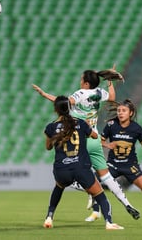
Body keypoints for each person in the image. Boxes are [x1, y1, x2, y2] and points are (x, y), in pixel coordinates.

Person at [33, 68, 140, 221]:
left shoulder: (80, 94)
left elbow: (63, 104)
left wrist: (44, 95)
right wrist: (110, 81)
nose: (80, 81)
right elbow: (112, 96)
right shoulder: (98, 92)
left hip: (80, 137)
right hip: (94, 137)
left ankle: (87, 190)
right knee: (107, 176)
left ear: (86, 83)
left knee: (71, 173)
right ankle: (127, 203)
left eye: (82, 79)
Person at [43, 96, 124, 230]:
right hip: (81, 167)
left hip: (62, 168)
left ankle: (49, 217)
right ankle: (109, 223)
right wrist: (86, 127)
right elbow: (94, 136)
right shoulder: (80, 123)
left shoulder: (51, 127)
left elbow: (48, 147)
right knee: (100, 194)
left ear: (56, 110)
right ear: (70, 108)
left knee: (59, 187)